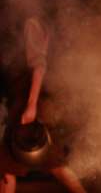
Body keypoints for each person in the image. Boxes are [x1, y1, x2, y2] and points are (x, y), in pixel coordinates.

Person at [0, 16, 86, 193]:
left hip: (33, 101)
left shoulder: (29, 21)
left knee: (54, 163)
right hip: (20, 100)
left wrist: (31, 105)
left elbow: (39, 65)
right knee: (7, 165)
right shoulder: (14, 19)